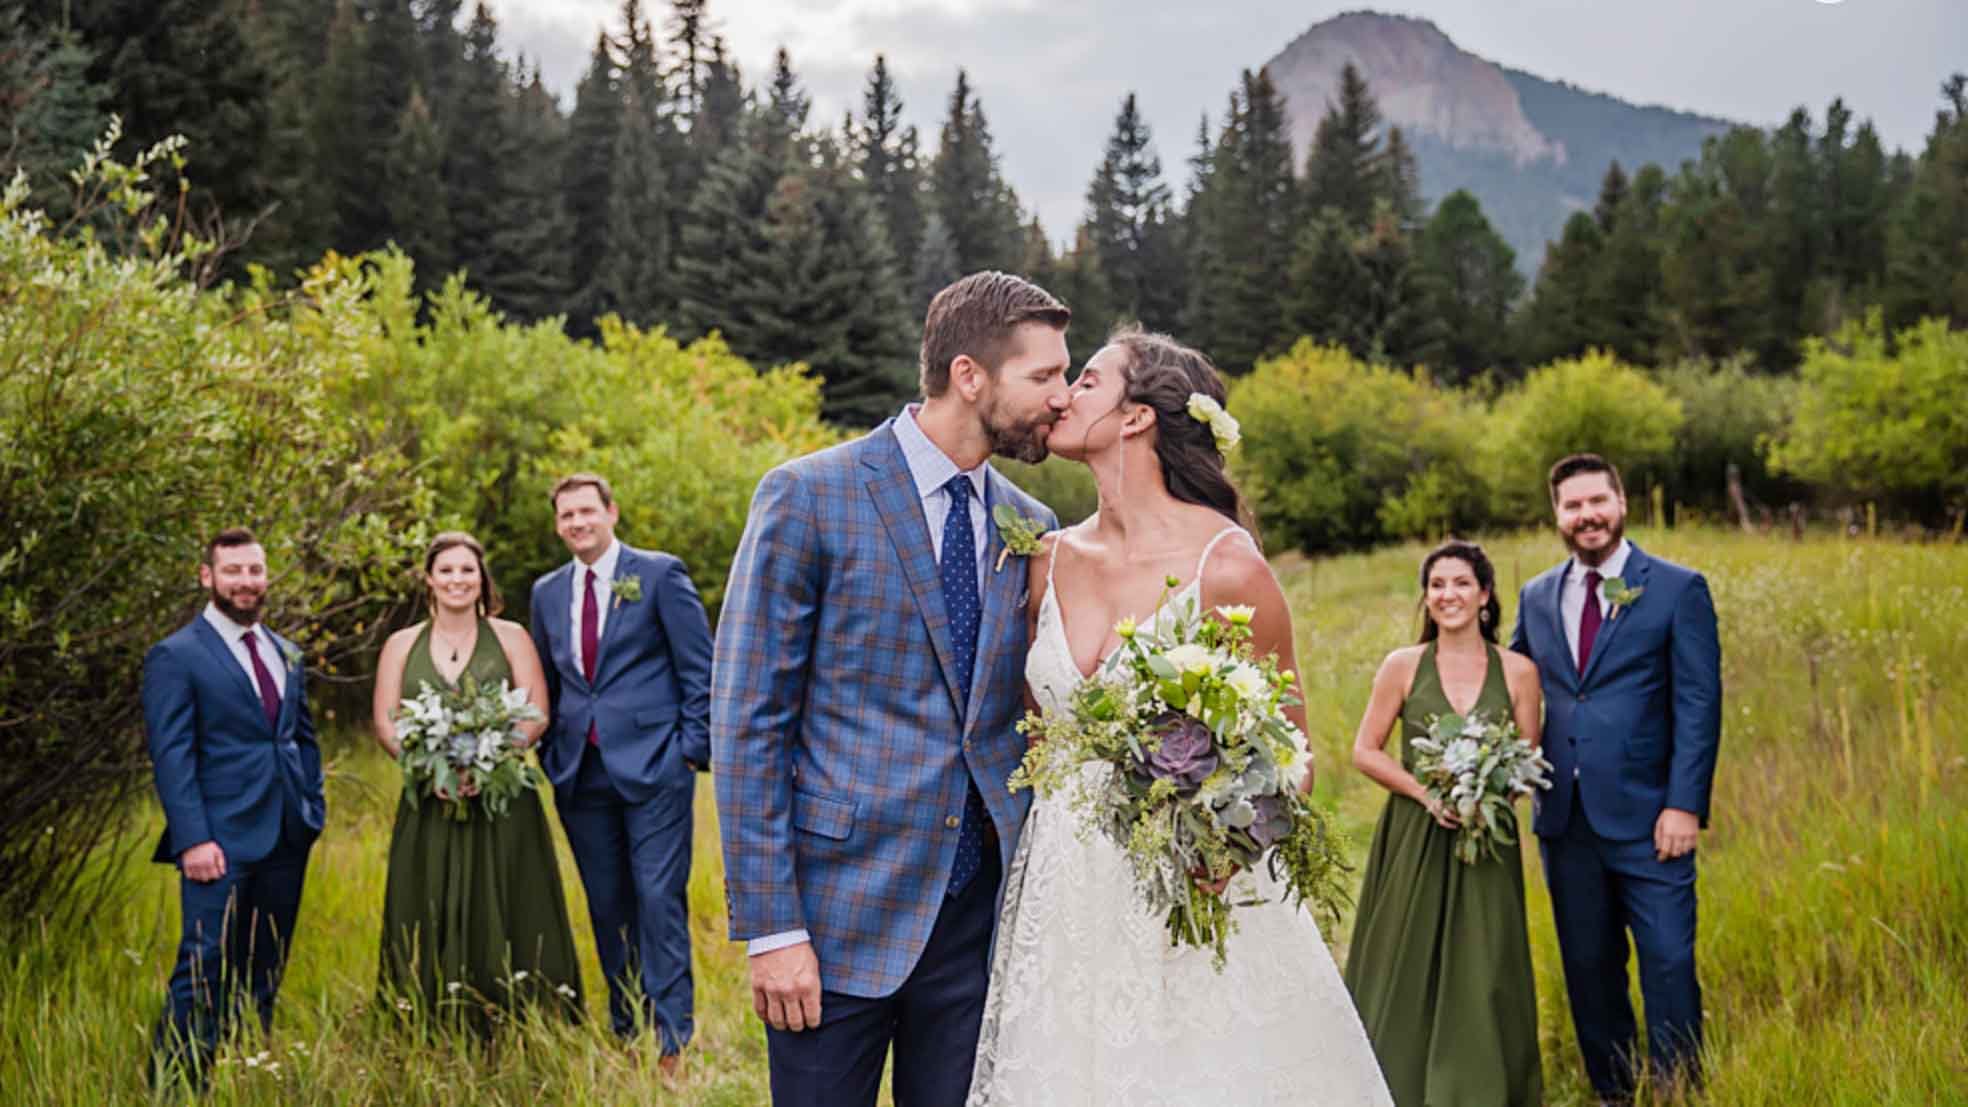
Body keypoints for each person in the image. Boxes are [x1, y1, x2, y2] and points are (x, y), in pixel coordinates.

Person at [966, 328, 1392, 1106]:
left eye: (1087, 380)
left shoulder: (1225, 566)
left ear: (1136, 417)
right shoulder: (1045, 559)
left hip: (1189, 886)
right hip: (1065, 887)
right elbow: (1033, 725)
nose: (1063, 395)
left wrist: (1222, 849)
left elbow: (1292, 748)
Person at [713, 271, 1069, 1106]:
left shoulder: (1034, 527)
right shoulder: (809, 495)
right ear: (970, 375)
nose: (1061, 397)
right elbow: (747, 721)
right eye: (1044, 376)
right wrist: (772, 927)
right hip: (836, 919)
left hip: (976, 926)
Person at [1510, 453, 1722, 1102]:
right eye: (1573, 506)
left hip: (1652, 818)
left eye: (1597, 501)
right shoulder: (1538, 595)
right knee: (1590, 968)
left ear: (1622, 502)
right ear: (1557, 516)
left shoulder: (1677, 588)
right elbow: (1514, 684)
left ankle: (1678, 1087)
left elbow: (1698, 703)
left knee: (1668, 960)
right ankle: (1615, 1090)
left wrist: (1684, 804)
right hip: (1565, 819)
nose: (1587, 515)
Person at [1343, 540, 1544, 1106]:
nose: (1448, 595)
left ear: (1485, 594)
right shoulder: (1402, 666)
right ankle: (1393, 1088)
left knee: (1486, 968)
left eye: (1461, 583)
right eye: (1437, 585)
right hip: (1414, 836)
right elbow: (1366, 751)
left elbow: (1529, 764)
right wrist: (1426, 792)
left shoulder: (1520, 672)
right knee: (1404, 964)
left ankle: (1479, 1090)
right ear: (1426, 597)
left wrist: (1489, 789)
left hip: (1485, 842)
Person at [529, 475, 713, 1071]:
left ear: (610, 512)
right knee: (607, 904)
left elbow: (698, 669)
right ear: (557, 524)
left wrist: (690, 750)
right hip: (580, 773)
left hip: (656, 767)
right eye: (567, 515)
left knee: (658, 899)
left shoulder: (659, 575)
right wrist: (550, 756)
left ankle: (672, 1040)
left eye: (587, 511)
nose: (578, 523)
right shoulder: (547, 592)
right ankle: (626, 1026)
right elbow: (550, 684)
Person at [371, 531, 583, 1032]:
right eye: (446, 570)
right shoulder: (402, 644)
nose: (457, 580)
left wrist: (484, 767)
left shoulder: (511, 637)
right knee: (428, 900)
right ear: (429, 579)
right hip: (430, 801)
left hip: (503, 801)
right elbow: (384, 721)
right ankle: (427, 1017)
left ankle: (524, 1014)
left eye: (467, 570)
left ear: (481, 577)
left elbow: (536, 715)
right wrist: (432, 768)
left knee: (513, 902)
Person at [142, 528, 325, 1089]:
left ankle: (244, 1076)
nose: (246, 582)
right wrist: (193, 838)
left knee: (265, 968)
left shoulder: (284, 650)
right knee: (203, 967)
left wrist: (311, 805)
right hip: (217, 842)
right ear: (208, 577)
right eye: (233, 572)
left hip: (287, 834)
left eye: (255, 571)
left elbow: (301, 737)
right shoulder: (176, 655)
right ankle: (175, 1089)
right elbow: (172, 755)